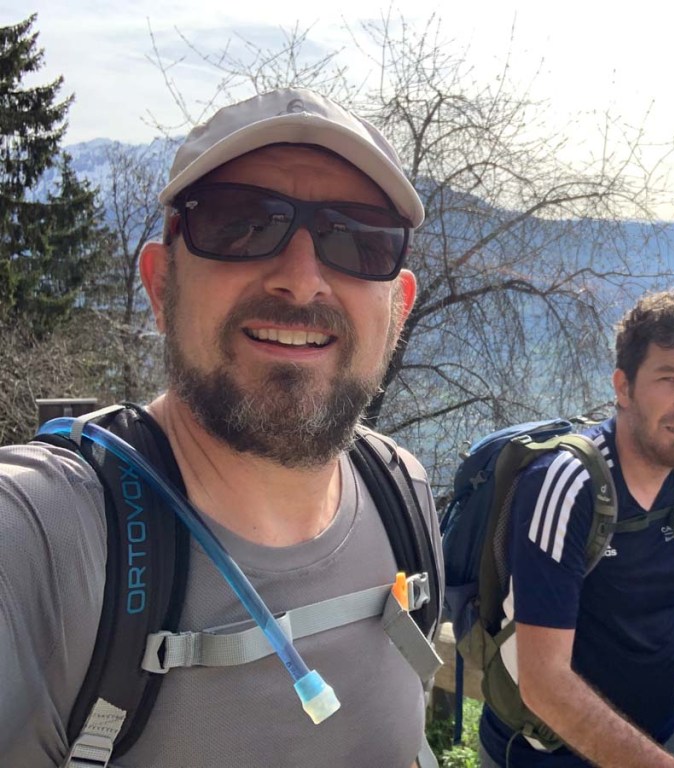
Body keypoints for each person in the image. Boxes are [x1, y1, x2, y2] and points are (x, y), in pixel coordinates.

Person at [0, 87, 442, 767]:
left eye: (358, 238)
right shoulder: (41, 542)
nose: (302, 279)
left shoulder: (403, 498)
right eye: (242, 224)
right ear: (161, 287)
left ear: (398, 311)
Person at [477, 289, 674, 768]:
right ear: (623, 386)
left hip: (657, 740)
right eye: (670, 379)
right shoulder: (567, 485)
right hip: (550, 756)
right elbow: (544, 684)